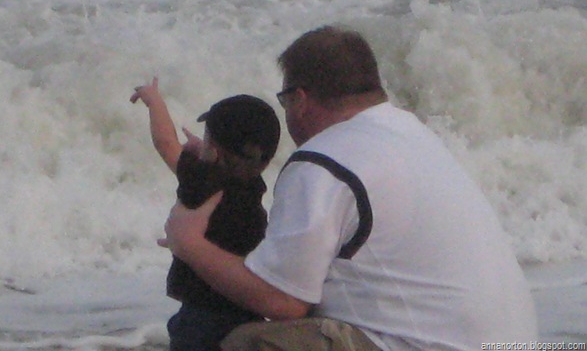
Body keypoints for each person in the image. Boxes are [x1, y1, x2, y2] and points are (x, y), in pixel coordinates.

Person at [159, 26, 539, 350]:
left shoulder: (323, 160)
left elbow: (283, 300)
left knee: (243, 342)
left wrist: (189, 243)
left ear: (300, 100)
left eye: (285, 102)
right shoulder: (413, 134)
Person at [131, 79, 280, 351]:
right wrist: (206, 153)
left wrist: (154, 101)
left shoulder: (203, 182)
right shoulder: (253, 190)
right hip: (245, 309)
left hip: (200, 315)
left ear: (214, 152)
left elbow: (166, 142)